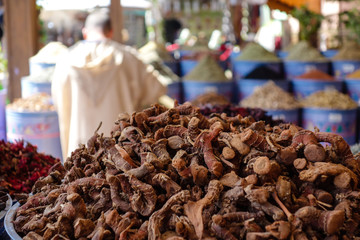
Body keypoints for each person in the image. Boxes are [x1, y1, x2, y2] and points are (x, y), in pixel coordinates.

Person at [52, 9, 166, 159]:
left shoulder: (65, 61)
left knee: (78, 178)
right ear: (110, 32)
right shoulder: (128, 57)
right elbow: (157, 88)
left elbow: (58, 101)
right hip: (123, 153)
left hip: (80, 151)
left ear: (84, 32)